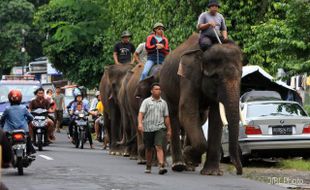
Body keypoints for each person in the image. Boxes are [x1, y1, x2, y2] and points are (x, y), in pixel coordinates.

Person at [138, 83, 171, 174]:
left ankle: (161, 165)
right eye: (156, 89)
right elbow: (141, 113)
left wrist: (169, 129)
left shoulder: (163, 103)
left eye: (159, 89)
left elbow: (166, 117)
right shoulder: (146, 102)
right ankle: (148, 165)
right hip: (148, 128)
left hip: (160, 127)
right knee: (148, 148)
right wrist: (140, 123)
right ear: (151, 91)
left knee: (158, 146)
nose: (158, 91)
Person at [0, 89, 36, 155]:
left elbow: (2, 119)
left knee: (4, 143)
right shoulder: (24, 108)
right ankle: (30, 151)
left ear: (9, 98)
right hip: (23, 130)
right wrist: (27, 122)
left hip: (9, 130)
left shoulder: (7, 109)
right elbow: (31, 117)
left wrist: (2, 126)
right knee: (28, 139)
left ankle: (5, 156)